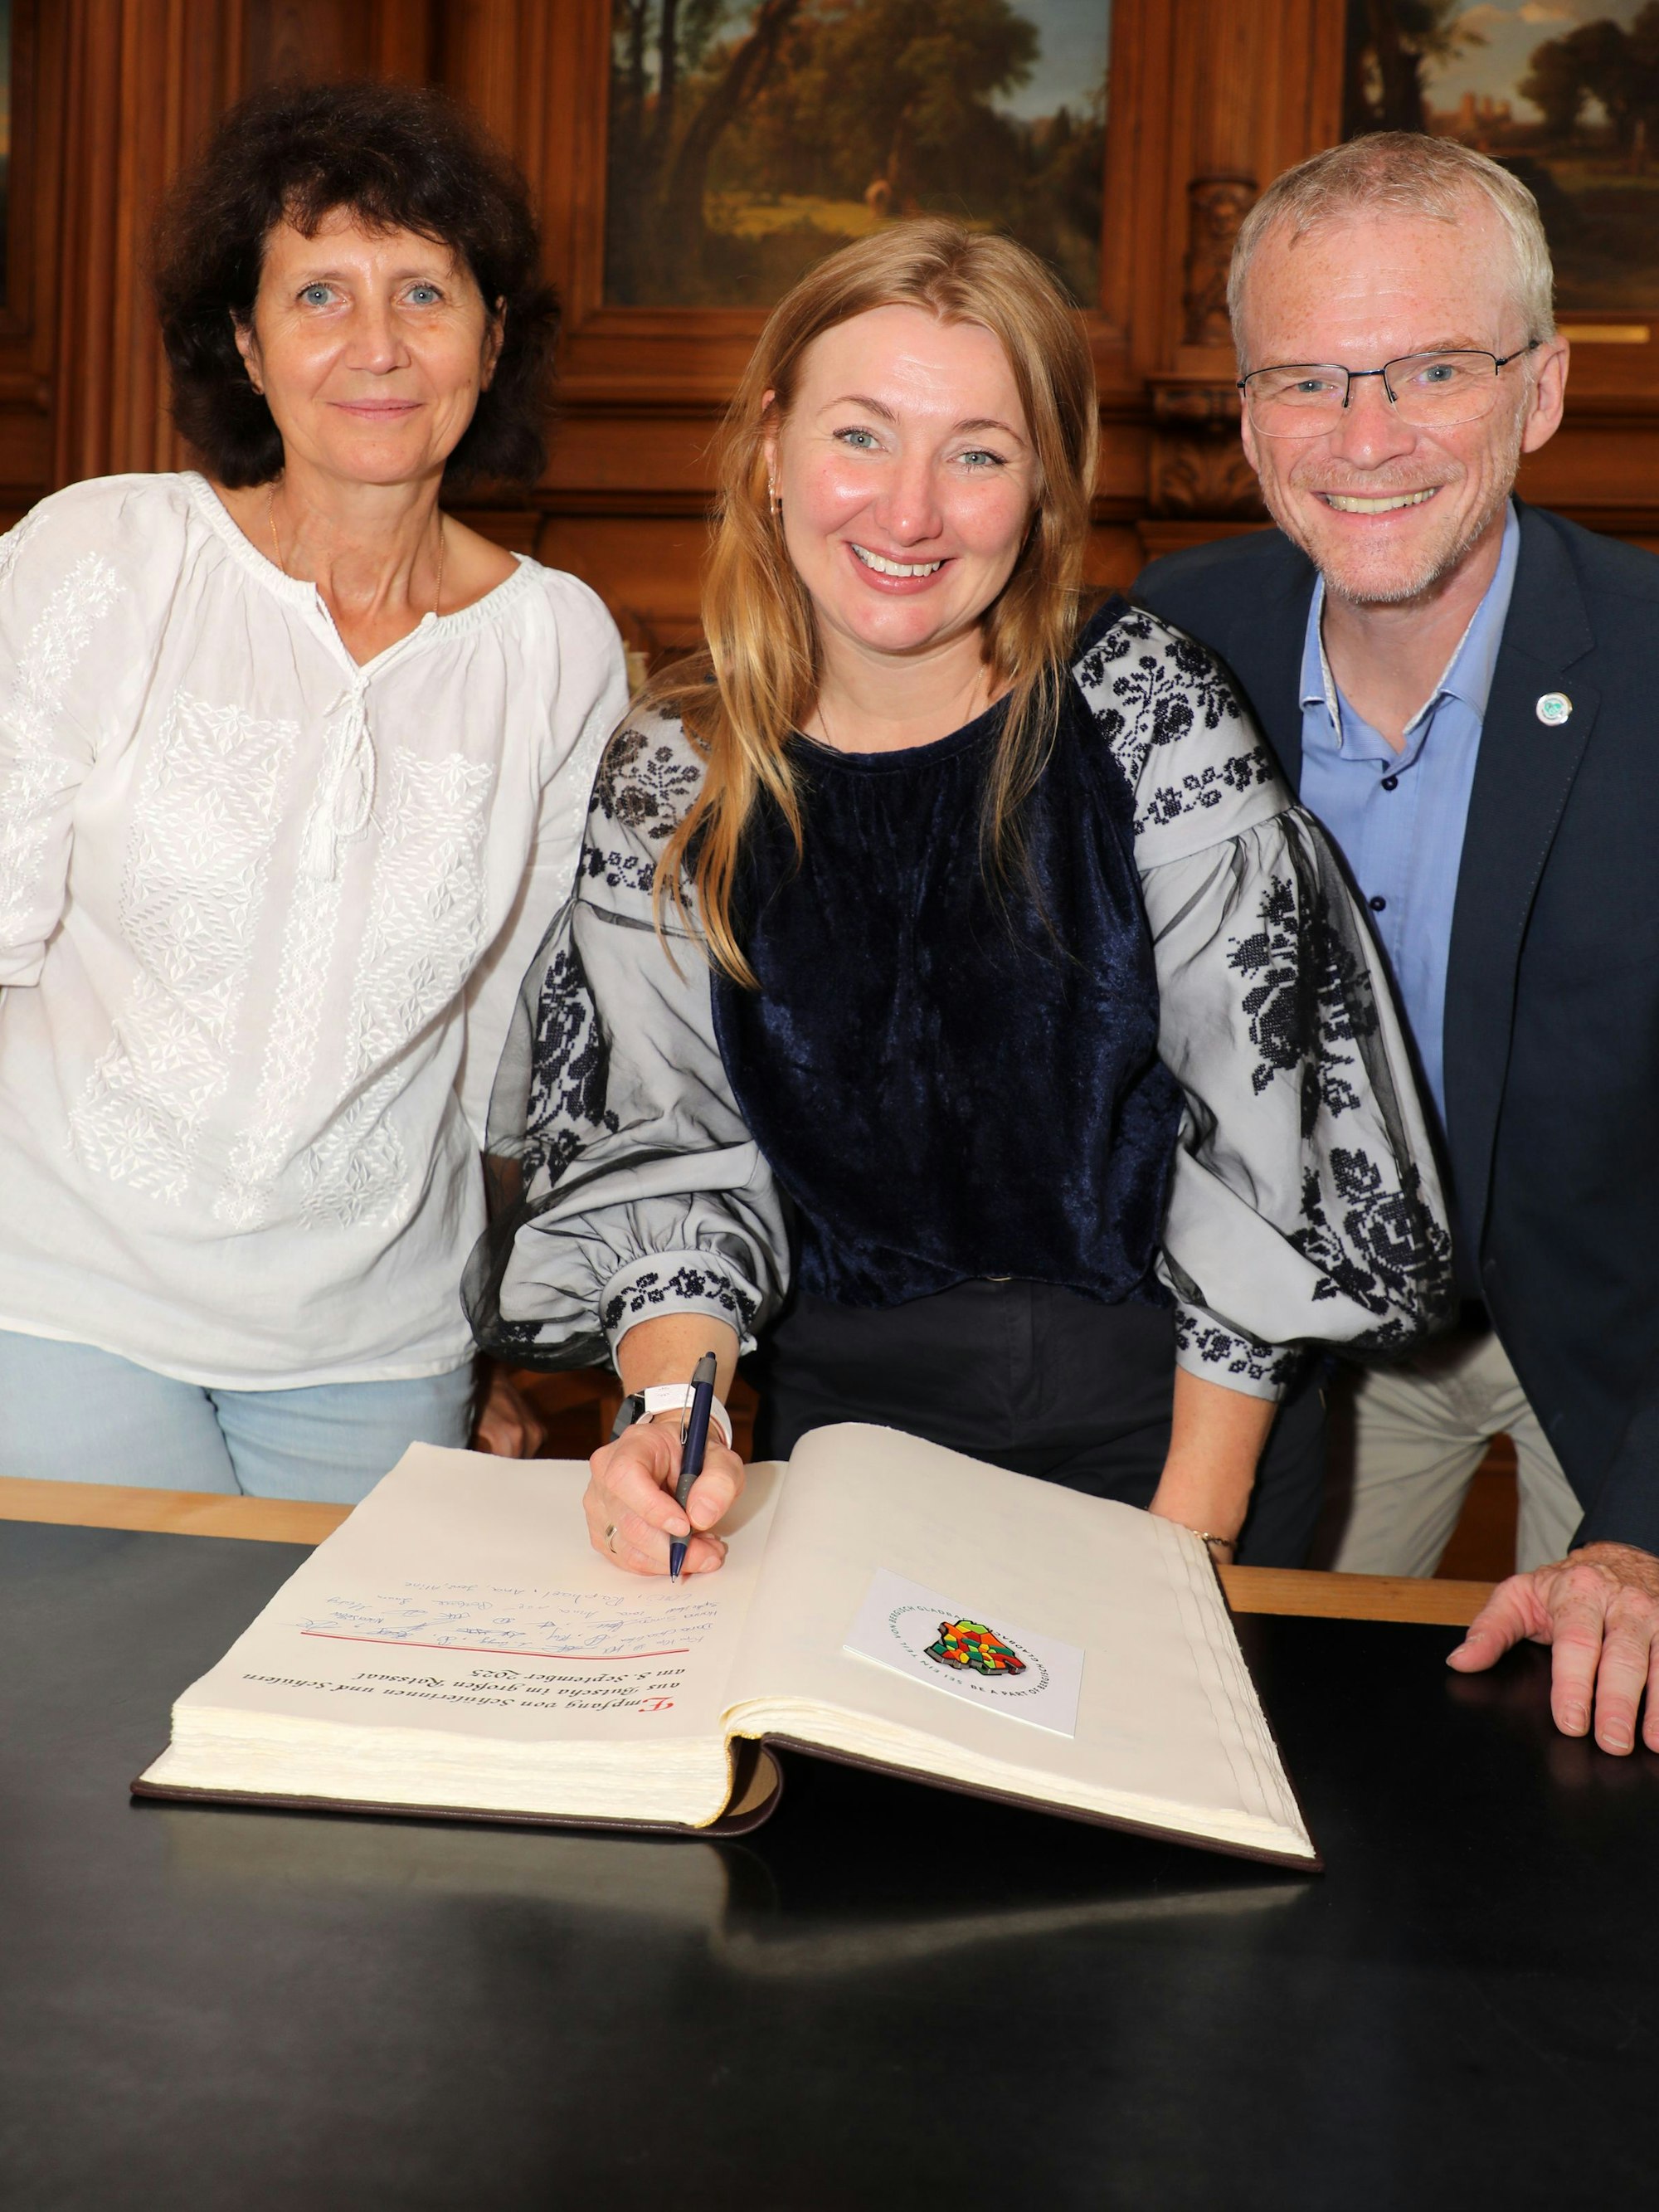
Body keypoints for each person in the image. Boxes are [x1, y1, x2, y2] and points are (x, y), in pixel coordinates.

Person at [466, 219, 1452, 1578]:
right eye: (860, 435)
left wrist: (1188, 1537)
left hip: (1178, 1407)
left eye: (977, 453)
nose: (911, 511)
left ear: (1044, 487)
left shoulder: (1143, 710)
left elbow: (1258, 1156)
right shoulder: (675, 767)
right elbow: (671, 1156)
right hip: (849, 1423)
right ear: (771, 447)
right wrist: (671, 1424)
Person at [0, 81, 626, 1499]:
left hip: (374, 1343)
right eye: (321, 294)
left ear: (493, 336)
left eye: (424, 291)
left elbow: (507, 1052)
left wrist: (493, 1344)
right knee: (109, 1719)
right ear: (246, 338)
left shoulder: (558, 645)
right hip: (55, 1300)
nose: (378, 346)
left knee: (346, 1724)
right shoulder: (101, 559)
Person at [1135, 131, 1659, 1756]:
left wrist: (1641, 1536)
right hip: (1304, 1337)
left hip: (1618, 1323)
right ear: (1244, 414)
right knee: (1265, 1751)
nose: (1364, 439)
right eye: (1305, 379)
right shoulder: (1160, 643)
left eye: (1431, 367)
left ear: (1541, 388)